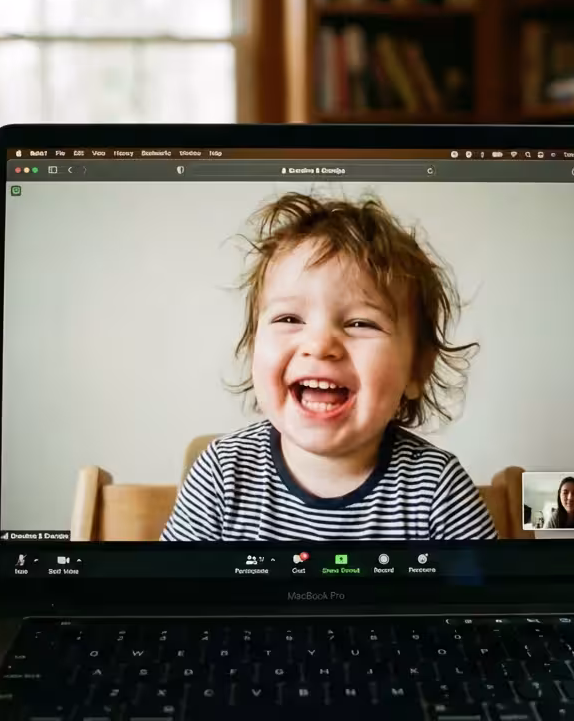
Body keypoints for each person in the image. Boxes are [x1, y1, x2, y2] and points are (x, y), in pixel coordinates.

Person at [161, 192, 496, 541]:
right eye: (289, 318)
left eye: (361, 323)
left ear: (417, 371)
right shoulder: (222, 474)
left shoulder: (438, 489)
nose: (320, 345)